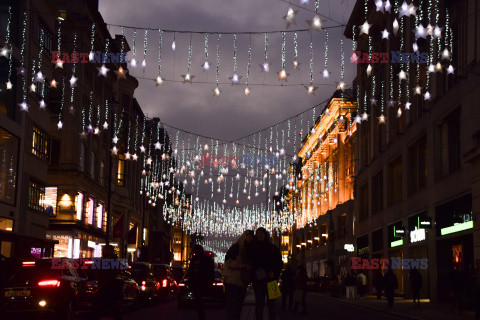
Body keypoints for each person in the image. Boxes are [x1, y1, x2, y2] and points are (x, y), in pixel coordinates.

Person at [250, 227, 283, 320]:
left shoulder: (272, 248)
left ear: (265, 235)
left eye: (262, 233)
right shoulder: (253, 248)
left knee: (272, 305)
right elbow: (250, 262)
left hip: (271, 281)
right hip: (258, 281)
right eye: (258, 233)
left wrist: (275, 272)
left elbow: (279, 263)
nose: (260, 235)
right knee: (259, 305)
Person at [224, 230, 254, 320]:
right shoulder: (236, 247)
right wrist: (242, 266)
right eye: (248, 236)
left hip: (243, 281)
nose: (250, 238)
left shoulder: (251, 249)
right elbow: (229, 262)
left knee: (238, 307)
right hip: (233, 281)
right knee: (232, 307)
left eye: (252, 236)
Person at [92, 245, 122, 320]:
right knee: (111, 307)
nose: (103, 252)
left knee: (99, 307)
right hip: (106, 286)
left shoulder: (111, 261)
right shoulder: (111, 260)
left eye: (104, 250)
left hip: (108, 286)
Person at [186, 245, 215, 320]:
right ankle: (201, 316)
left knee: (199, 302)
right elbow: (191, 272)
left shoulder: (203, 260)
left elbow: (210, 272)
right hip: (198, 283)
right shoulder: (195, 260)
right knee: (198, 302)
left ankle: (201, 316)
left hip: (201, 283)